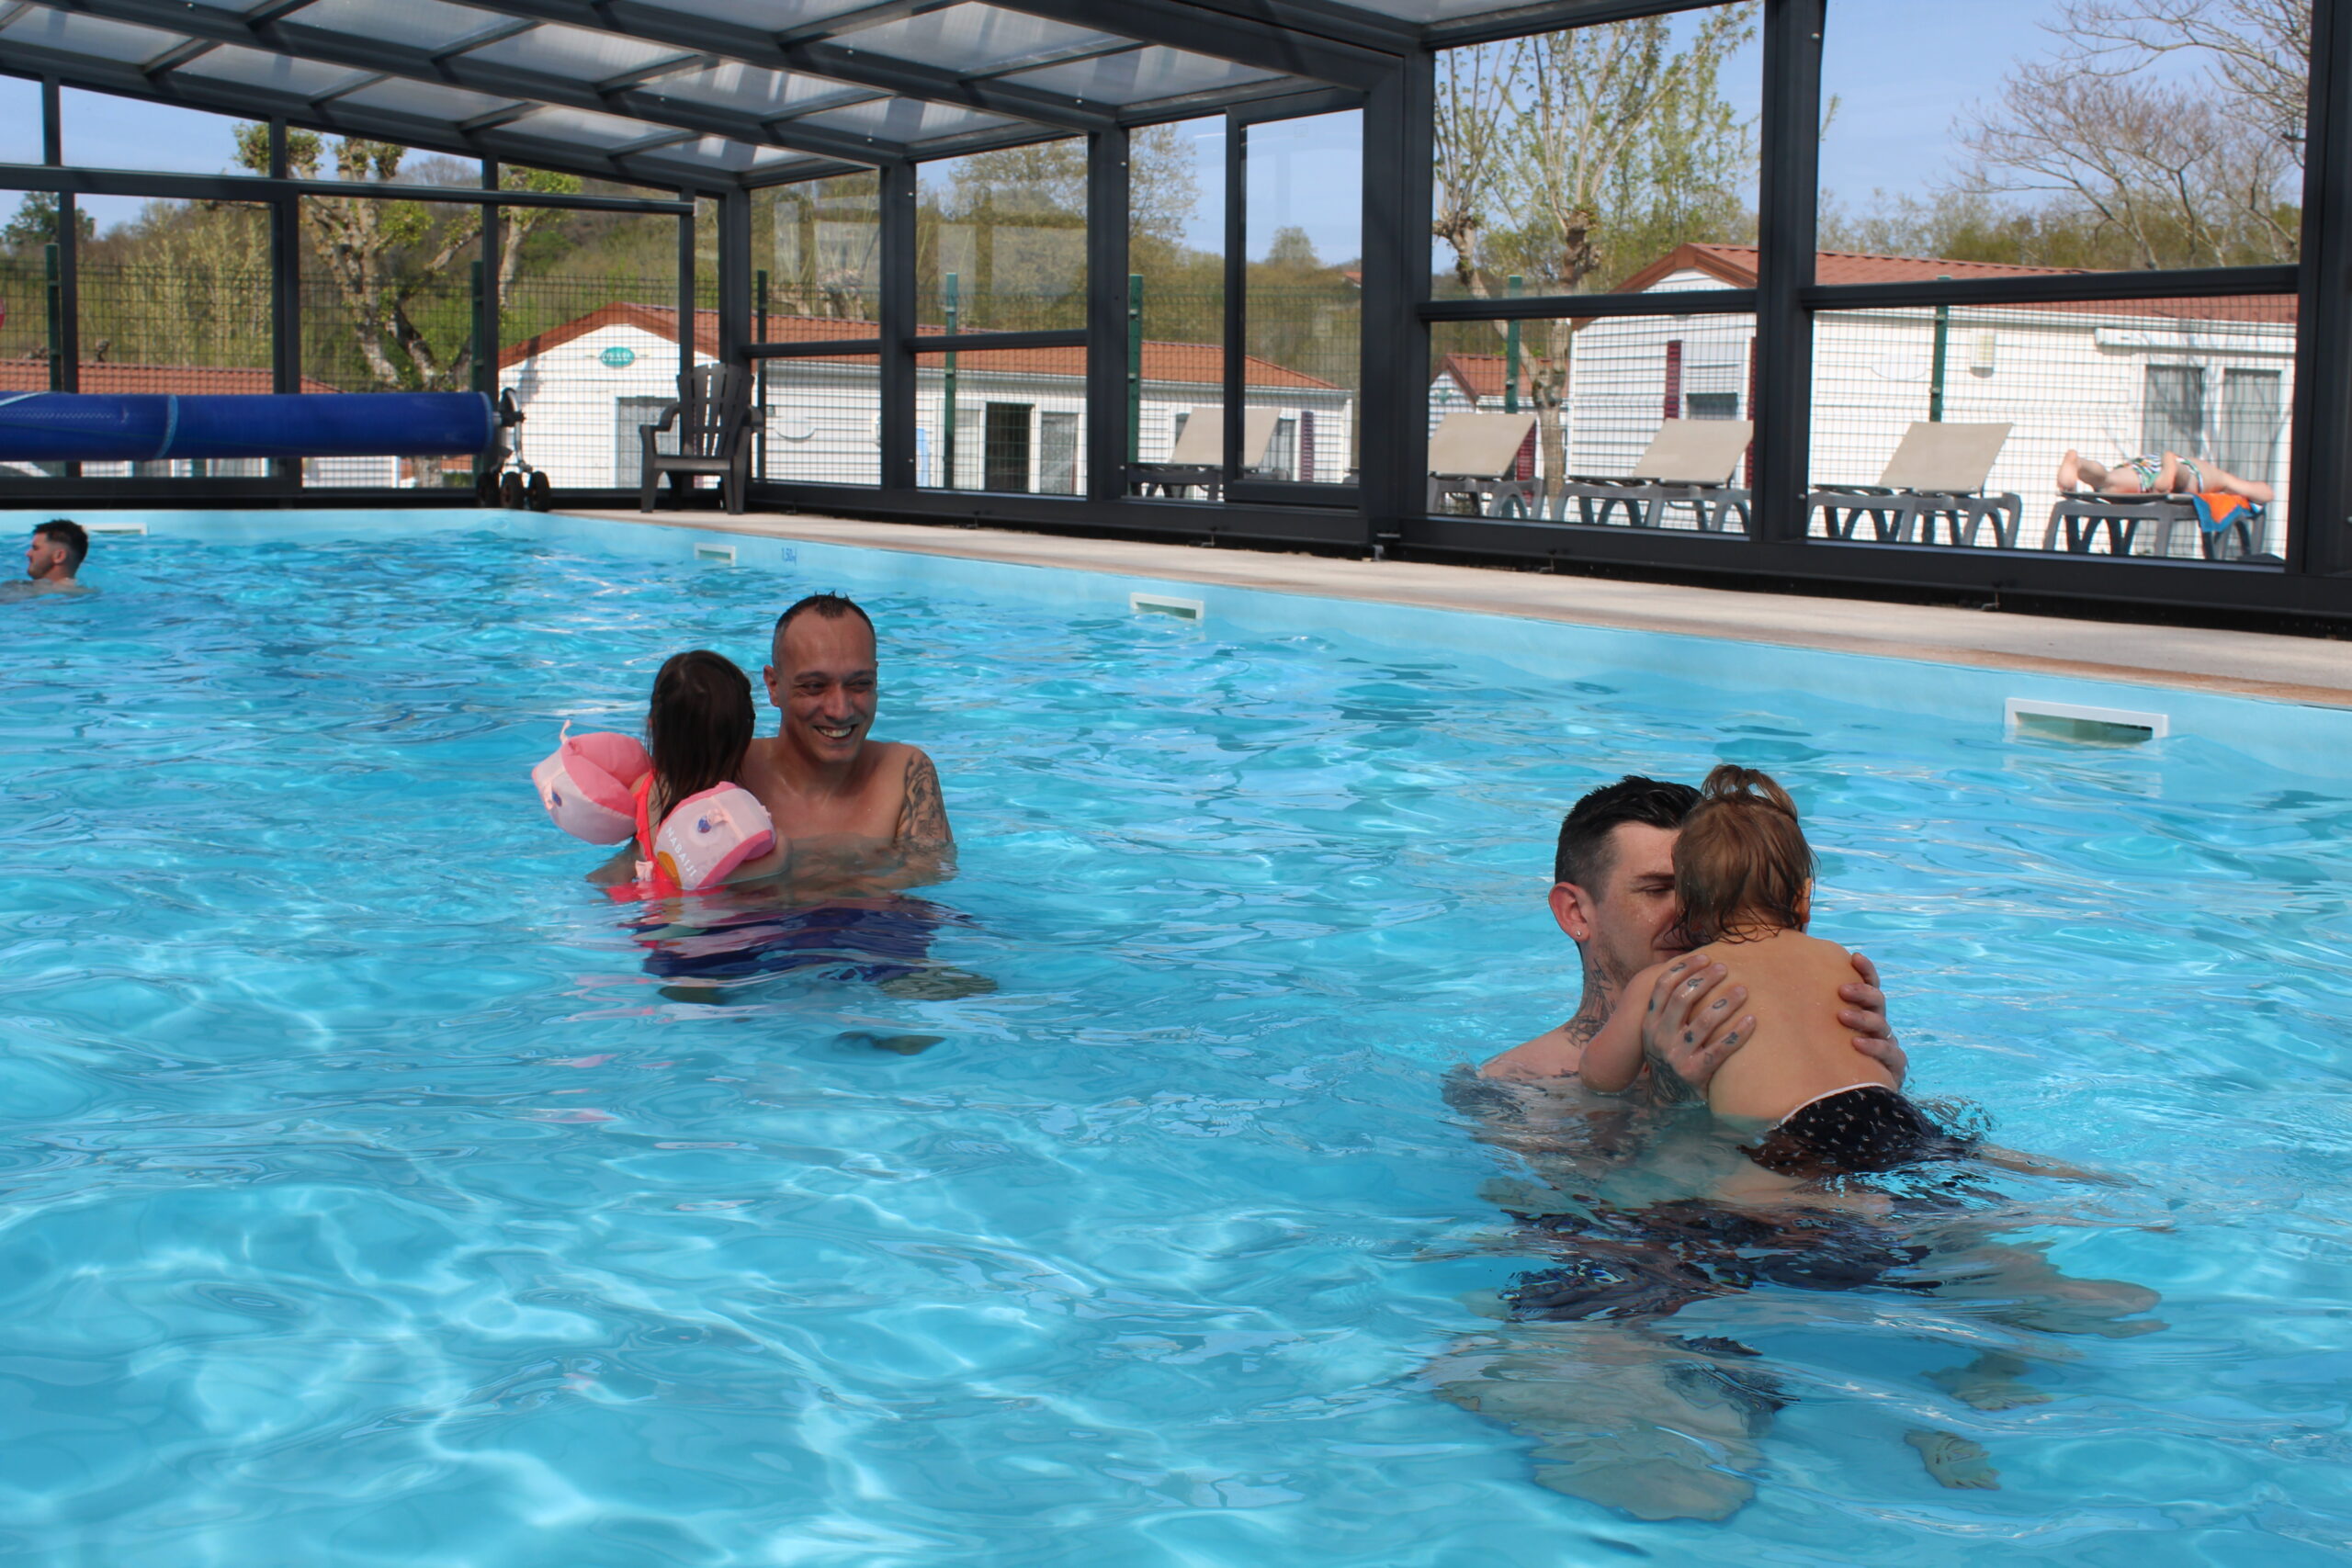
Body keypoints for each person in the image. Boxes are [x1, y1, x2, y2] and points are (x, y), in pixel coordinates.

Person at [1577, 765, 1962, 1189]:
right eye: (1654, 889)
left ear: (1688, 904)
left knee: (1726, 1199)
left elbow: (1601, 1079)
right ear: (1802, 897)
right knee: (1957, 1181)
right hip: (1891, 1113)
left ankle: (1857, 1207)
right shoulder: (1839, 958)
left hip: (1790, 1135)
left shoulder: (1665, 979)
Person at [1480, 774, 1903, 1093]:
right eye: (1659, 889)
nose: (1693, 912)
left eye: (1712, 890)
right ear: (1576, 912)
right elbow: (1583, 1205)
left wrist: (1876, 1071)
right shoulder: (1515, 1087)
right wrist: (1667, 1099)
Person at [740, 592, 952, 879]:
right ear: (774, 686)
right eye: (814, 686)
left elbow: (926, 894)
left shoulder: (905, 774)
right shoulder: (728, 770)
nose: (840, 710)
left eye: (860, 684)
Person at [616, 650, 788, 896]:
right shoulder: (725, 814)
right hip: (700, 926)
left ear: (653, 723)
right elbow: (707, 882)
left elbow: (634, 857)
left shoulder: (643, 789)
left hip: (646, 918)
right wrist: (781, 858)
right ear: (741, 736)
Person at [2057, 448, 2273, 503]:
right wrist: (2239, 488)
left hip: (2142, 464)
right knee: (2186, 479)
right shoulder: (2221, 477)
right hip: (2184, 466)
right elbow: (2265, 494)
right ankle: (2173, 467)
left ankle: (2080, 463)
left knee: (2108, 481)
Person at [22, 519, 88, 592]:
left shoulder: (24, 592)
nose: (28, 553)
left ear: (59, 556)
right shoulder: (86, 595)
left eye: (36, 548)